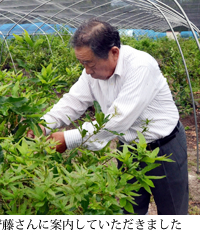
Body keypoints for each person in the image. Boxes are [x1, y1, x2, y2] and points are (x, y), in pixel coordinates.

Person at [30, 18, 189, 215]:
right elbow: (73, 101)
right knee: (130, 211)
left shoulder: (140, 66)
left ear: (114, 52)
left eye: (90, 64)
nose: (87, 71)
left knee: (172, 212)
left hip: (164, 148)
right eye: (82, 64)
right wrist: (42, 126)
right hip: (128, 150)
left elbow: (117, 120)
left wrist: (68, 139)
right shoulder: (91, 73)